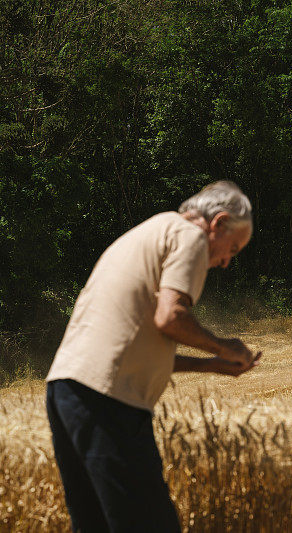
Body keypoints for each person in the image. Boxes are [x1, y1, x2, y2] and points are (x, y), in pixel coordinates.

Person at [45, 181, 261, 532]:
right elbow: (170, 317)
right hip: (108, 402)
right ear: (218, 223)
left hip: (65, 393)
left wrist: (211, 365)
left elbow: (133, 344)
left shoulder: (147, 233)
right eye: (232, 249)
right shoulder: (189, 235)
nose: (225, 262)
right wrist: (227, 347)